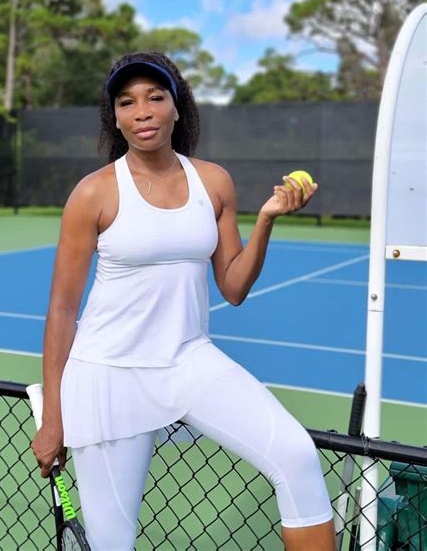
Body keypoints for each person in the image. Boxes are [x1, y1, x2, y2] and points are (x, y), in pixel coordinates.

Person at [31, 51, 336, 551]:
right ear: (116, 119)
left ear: (178, 106)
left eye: (156, 96)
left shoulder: (213, 181)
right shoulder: (93, 194)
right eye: (127, 103)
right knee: (112, 543)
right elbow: (62, 312)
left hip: (190, 360)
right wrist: (55, 418)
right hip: (108, 375)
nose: (143, 111)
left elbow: (233, 288)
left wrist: (266, 219)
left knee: (297, 457)